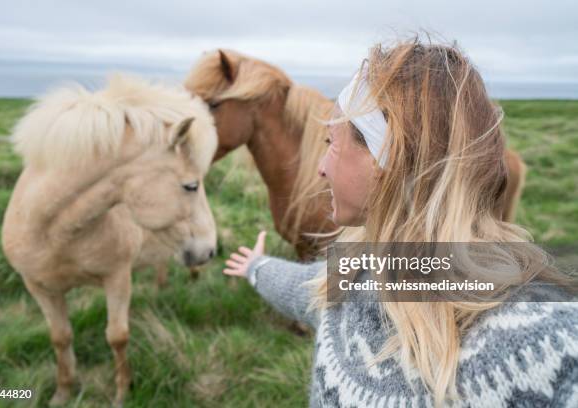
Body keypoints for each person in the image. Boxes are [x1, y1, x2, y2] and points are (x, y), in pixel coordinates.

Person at [223, 37, 578, 407]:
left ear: (385, 163)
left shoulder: (548, 342)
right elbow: (301, 289)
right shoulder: (355, 276)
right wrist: (255, 267)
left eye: (331, 143)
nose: (320, 168)